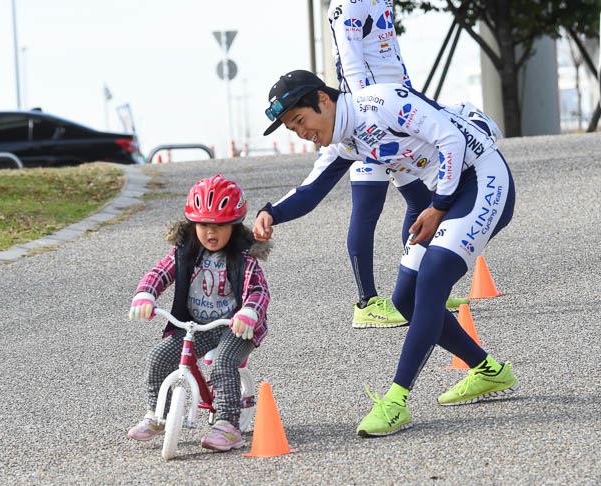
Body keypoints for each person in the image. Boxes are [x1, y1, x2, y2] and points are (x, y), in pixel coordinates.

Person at [254, 70, 517, 437]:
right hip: (446, 196)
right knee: (405, 300)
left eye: (300, 120)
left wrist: (438, 206)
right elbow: (310, 191)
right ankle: (489, 372)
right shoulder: (344, 141)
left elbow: (452, 140)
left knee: (432, 277)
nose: (302, 133)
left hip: (483, 179)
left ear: (323, 100)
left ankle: (395, 401)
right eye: (292, 129)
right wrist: (271, 213)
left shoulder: (380, 103)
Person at [314, 0, 467, 328]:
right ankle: (366, 303)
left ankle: (420, 288)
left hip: (395, 114)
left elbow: (389, 57)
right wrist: (366, 118)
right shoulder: (348, 4)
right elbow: (352, 64)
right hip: (368, 122)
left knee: (421, 202)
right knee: (367, 208)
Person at [127, 174, 270, 451]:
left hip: (236, 326)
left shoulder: (244, 257)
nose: (210, 233)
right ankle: (158, 414)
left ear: (235, 226)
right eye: (203, 225)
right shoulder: (184, 252)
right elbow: (160, 273)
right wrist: (145, 294)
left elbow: (258, 291)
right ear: (193, 224)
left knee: (224, 362)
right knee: (159, 356)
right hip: (195, 324)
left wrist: (249, 313)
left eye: (220, 226)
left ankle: (228, 424)